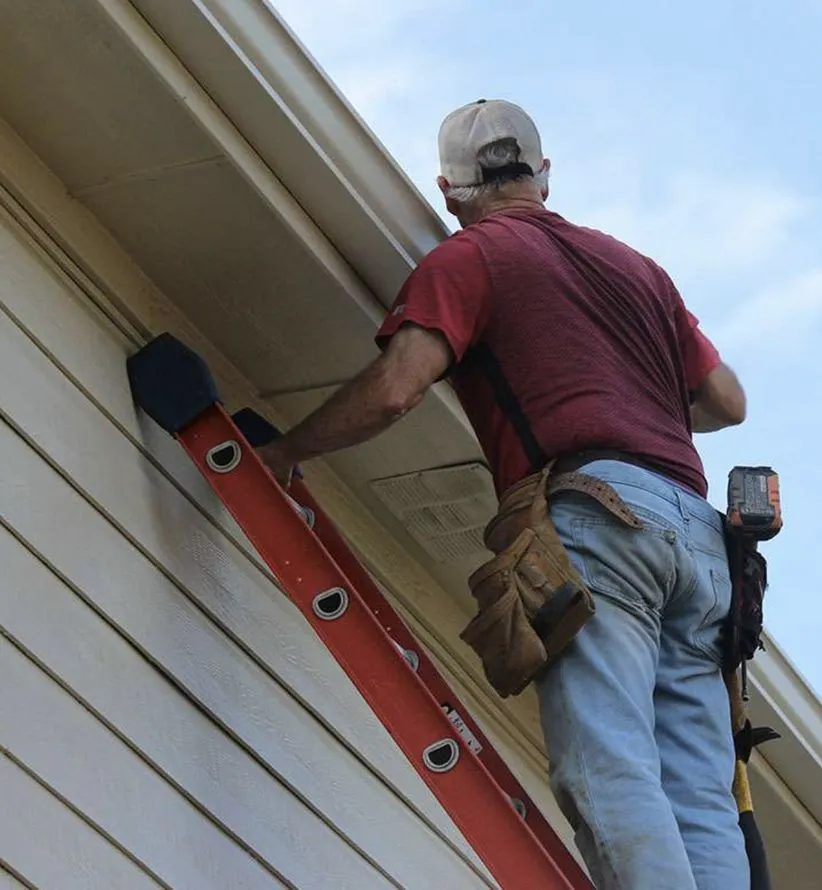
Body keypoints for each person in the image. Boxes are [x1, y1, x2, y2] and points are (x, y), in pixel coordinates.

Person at [258, 98, 749, 890]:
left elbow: (397, 389)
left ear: (448, 190)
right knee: (700, 794)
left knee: (608, 762)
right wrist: (636, 394)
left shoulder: (471, 258)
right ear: (544, 174)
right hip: (699, 538)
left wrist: (284, 452)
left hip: (602, 518)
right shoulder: (638, 270)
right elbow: (726, 401)